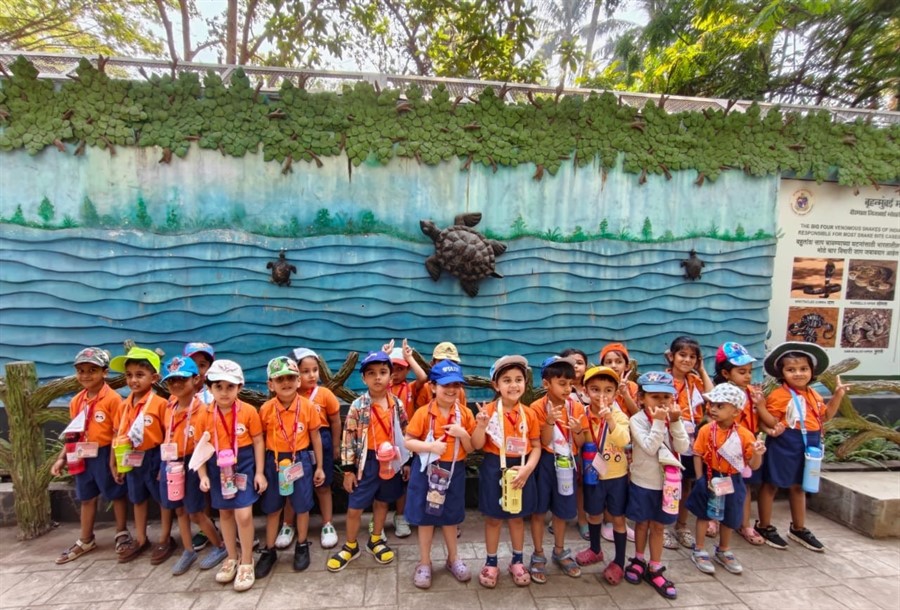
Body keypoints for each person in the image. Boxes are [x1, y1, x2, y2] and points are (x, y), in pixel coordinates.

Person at [755, 342, 849, 552]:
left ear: (811, 371)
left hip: (810, 444)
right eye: (791, 370)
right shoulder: (779, 395)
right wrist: (761, 407)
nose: (798, 374)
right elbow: (771, 422)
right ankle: (764, 526)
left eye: (803, 369)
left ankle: (798, 528)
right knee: (771, 484)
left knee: (800, 486)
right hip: (785, 442)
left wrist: (838, 396)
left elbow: (825, 416)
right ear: (782, 373)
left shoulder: (814, 394)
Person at [327, 351, 410, 572]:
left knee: (383, 502)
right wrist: (348, 470)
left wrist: (406, 462)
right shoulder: (358, 406)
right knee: (355, 507)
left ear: (391, 376)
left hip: (391, 460)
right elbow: (348, 438)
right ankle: (351, 545)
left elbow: (405, 433)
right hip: (366, 462)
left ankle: (375, 539)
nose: (378, 378)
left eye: (383, 372)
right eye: (371, 373)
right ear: (364, 378)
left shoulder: (397, 405)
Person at [52, 348, 130, 564]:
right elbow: (72, 432)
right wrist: (62, 457)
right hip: (81, 453)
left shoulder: (113, 400)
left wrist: (114, 461)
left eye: (92, 370)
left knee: (116, 494)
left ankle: (121, 532)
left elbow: (118, 432)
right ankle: (86, 539)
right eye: (81, 370)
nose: (86, 375)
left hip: (105, 453)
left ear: (104, 372)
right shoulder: (76, 401)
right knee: (86, 497)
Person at [403, 359, 476, 588]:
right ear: (433, 387)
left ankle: (453, 559)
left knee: (451, 517)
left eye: (456, 384)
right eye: (446, 385)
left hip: (454, 472)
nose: (452, 389)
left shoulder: (464, 413)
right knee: (425, 518)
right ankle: (424, 562)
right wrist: (430, 447)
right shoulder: (423, 413)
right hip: (427, 471)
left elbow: (473, 446)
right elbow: (408, 442)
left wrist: (462, 433)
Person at [472, 355, 541, 589]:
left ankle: (517, 561)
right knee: (493, 519)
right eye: (507, 380)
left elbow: (537, 445)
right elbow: (477, 445)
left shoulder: (529, 413)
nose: (513, 385)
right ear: (496, 385)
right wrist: (480, 426)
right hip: (495, 468)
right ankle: (491, 562)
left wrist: (528, 468)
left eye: (519, 379)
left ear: (525, 382)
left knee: (517, 519)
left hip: (521, 468)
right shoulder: (488, 411)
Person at [197, 359, 267, 592]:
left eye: (230, 386)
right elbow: (201, 448)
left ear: (240, 387)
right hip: (218, 466)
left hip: (243, 464)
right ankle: (231, 556)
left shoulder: (248, 411)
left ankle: (247, 560)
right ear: (210, 388)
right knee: (225, 512)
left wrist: (259, 472)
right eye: (218, 386)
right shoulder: (204, 414)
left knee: (244, 514)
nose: (224, 392)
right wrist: (202, 475)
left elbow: (258, 440)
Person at [255, 356, 325, 578]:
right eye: (279, 379)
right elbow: (260, 440)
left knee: (302, 505)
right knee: (273, 507)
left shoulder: (307, 407)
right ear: (270, 384)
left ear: (298, 382)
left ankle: (302, 544)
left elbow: (315, 437)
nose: (285, 383)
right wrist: (260, 471)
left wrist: (320, 467)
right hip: (273, 461)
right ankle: (269, 549)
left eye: (290, 378)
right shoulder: (266, 409)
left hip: (300, 459)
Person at [158, 356, 229, 574]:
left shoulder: (203, 409)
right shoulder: (168, 406)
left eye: (182, 379)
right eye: (171, 381)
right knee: (179, 508)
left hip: (193, 462)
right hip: (171, 461)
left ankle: (220, 545)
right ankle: (188, 550)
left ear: (196, 380)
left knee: (196, 511)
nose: (176, 384)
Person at [686, 383, 766, 575]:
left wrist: (757, 454)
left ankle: (723, 549)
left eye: (720, 406)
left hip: (733, 479)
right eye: (712, 404)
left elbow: (754, 466)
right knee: (703, 514)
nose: (713, 409)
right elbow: (697, 453)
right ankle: (699, 548)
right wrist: (699, 478)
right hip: (710, 476)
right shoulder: (706, 430)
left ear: (736, 411)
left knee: (731, 516)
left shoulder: (744, 435)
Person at [624, 371, 689, 601]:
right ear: (641, 398)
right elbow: (650, 447)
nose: (661, 402)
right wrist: (661, 422)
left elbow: (682, 445)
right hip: (644, 482)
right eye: (654, 397)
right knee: (641, 524)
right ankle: (639, 559)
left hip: (668, 485)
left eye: (666, 397)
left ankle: (655, 566)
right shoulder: (637, 420)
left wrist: (677, 421)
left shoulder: (672, 418)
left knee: (659, 527)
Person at [108, 346, 168, 564]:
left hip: (154, 456)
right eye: (129, 375)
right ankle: (141, 538)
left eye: (139, 375)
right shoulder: (124, 406)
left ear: (154, 378)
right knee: (137, 498)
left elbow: (168, 436)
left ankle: (164, 537)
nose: (133, 380)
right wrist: (114, 462)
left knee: (162, 500)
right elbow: (118, 434)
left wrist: (165, 465)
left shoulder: (160, 405)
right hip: (130, 456)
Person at [527, 356, 584, 583]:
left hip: (567, 463)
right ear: (546, 384)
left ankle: (559, 550)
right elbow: (541, 441)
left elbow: (579, 443)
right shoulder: (536, 408)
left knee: (562, 511)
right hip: (544, 463)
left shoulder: (577, 406)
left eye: (570, 383)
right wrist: (549, 421)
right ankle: (538, 552)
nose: (567, 388)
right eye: (561, 383)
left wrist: (578, 430)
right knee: (539, 511)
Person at [574, 366, 631, 585]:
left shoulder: (619, 415)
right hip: (592, 474)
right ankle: (595, 549)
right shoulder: (583, 414)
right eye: (595, 390)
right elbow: (580, 444)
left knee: (618, 518)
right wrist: (577, 430)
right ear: (586, 391)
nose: (601, 395)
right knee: (594, 514)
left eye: (608, 390)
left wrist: (610, 420)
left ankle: (618, 562)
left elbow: (623, 441)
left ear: (616, 393)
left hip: (616, 476)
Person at [280, 347, 341, 550]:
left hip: (321, 442)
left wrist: (335, 445)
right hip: (296, 445)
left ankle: (327, 524)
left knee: (323, 487)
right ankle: (288, 525)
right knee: (292, 486)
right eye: (305, 371)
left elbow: (335, 421)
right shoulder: (289, 395)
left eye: (315, 370)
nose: (312, 375)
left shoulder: (324, 394)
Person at [713, 342, 771, 546]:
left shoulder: (751, 393)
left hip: (746, 447)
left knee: (744, 487)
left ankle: (743, 523)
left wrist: (767, 425)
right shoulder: (720, 393)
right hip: (725, 448)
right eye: (741, 371)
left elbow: (759, 420)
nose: (747, 376)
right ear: (726, 373)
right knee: (719, 484)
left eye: (749, 371)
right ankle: (714, 519)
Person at [663, 336, 713, 549]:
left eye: (693, 357)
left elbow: (712, 396)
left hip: (692, 439)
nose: (687, 360)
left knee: (686, 483)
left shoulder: (695, 381)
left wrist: (701, 370)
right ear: (671, 356)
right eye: (682, 355)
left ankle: (681, 526)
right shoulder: (662, 379)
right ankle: (663, 525)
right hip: (668, 437)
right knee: (666, 482)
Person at [383, 339, 429, 539]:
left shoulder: (410, 388)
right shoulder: (381, 388)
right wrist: (383, 355)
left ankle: (401, 516)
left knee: (404, 480)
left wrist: (410, 357)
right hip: (383, 442)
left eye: (400, 368)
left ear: (407, 370)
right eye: (390, 368)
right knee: (382, 481)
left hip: (406, 442)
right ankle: (378, 521)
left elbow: (423, 377)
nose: (395, 373)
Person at [598, 342, 638, 545]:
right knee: (606, 478)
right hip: (605, 443)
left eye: (618, 361)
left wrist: (625, 393)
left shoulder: (631, 386)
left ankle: (620, 520)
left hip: (627, 441)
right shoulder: (600, 384)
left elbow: (637, 413)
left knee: (624, 482)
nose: (614, 365)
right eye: (608, 361)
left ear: (626, 365)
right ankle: (607, 521)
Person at [182, 342, 217, 553]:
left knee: (219, 489)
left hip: (216, 450)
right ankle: (207, 528)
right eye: (192, 364)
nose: (198, 370)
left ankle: (230, 526)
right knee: (201, 491)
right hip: (190, 453)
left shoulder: (215, 393)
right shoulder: (179, 395)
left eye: (202, 365)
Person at [559, 347, 590, 541]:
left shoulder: (592, 386)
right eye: (570, 363)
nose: (575, 366)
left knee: (588, 483)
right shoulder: (561, 390)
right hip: (569, 445)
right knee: (572, 481)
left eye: (579, 362)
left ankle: (586, 518)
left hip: (594, 443)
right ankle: (565, 517)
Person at [414, 342, 468, 408]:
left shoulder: (459, 391)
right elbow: (419, 413)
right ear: (432, 364)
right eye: (442, 361)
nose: (446, 364)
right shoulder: (426, 388)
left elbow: (465, 415)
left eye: (452, 362)